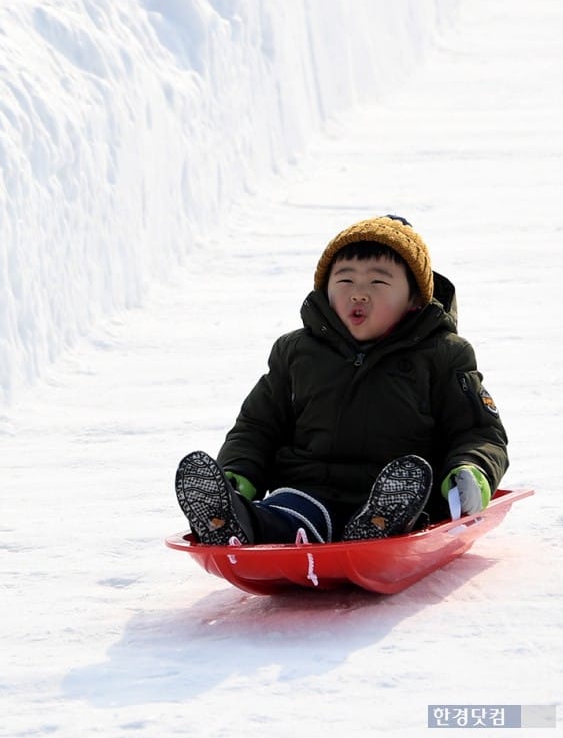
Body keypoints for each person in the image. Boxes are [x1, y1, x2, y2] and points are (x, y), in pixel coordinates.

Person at [175, 214, 509, 546]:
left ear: (414, 300)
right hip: (308, 489)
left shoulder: (442, 355)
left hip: (397, 494)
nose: (359, 294)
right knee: (282, 516)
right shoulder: (296, 352)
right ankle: (233, 519)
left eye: (378, 283)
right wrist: (237, 474)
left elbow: (478, 431)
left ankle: (377, 528)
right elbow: (257, 427)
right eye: (345, 281)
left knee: (394, 512)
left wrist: (471, 471)